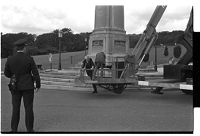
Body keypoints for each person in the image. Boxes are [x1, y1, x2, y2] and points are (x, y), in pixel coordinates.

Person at [4, 38, 41, 133]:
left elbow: (6, 73)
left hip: (15, 86)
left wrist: (13, 75)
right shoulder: (29, 58)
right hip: (28, 86)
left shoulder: (10, 59)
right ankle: (29, 129)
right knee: (28, 108)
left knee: (15, 108)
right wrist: (38, 85)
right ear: (24, 48)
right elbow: (35, 73)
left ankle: (14, 129)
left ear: (16, 48)